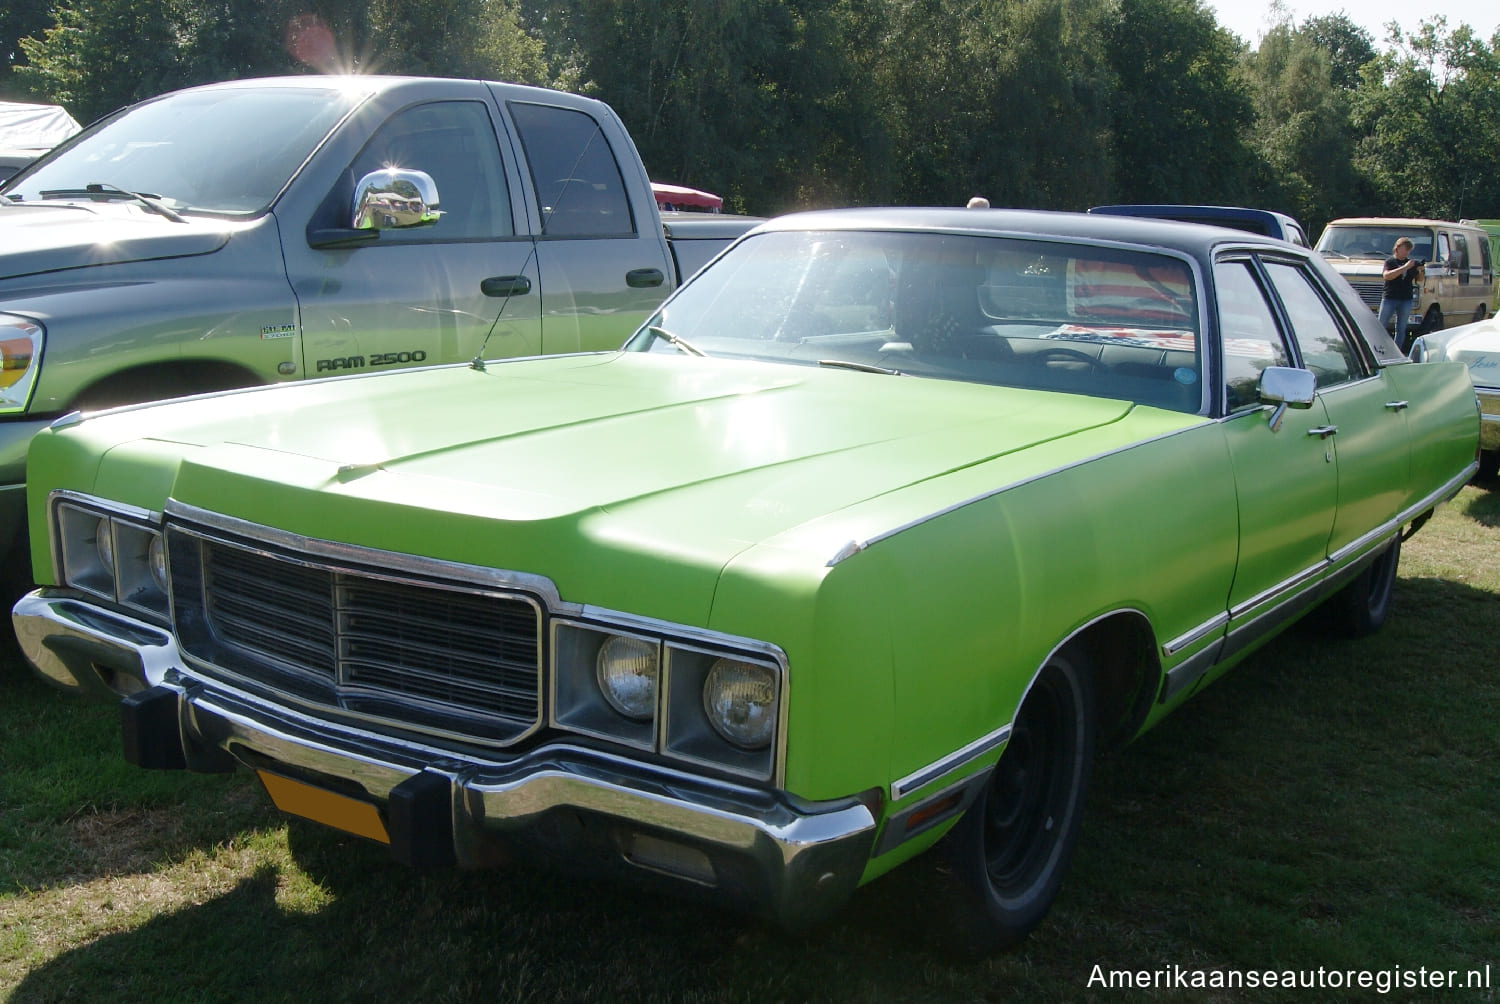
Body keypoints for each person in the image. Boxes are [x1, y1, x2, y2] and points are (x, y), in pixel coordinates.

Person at [1379, 236, 1424, 350]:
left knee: (1401, 327)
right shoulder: (1390, 262)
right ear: (1397, 248)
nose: (1407, 252)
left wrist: (1420, 271)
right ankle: (1379, 347)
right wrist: (1405, 267)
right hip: (1390, 297)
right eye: (1405, 249)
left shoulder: (1410, 263)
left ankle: (1397, 350)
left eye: (1409, 250)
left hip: (1405, 298)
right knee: (1381, 325)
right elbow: (1387, 276)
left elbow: (1419, 279)